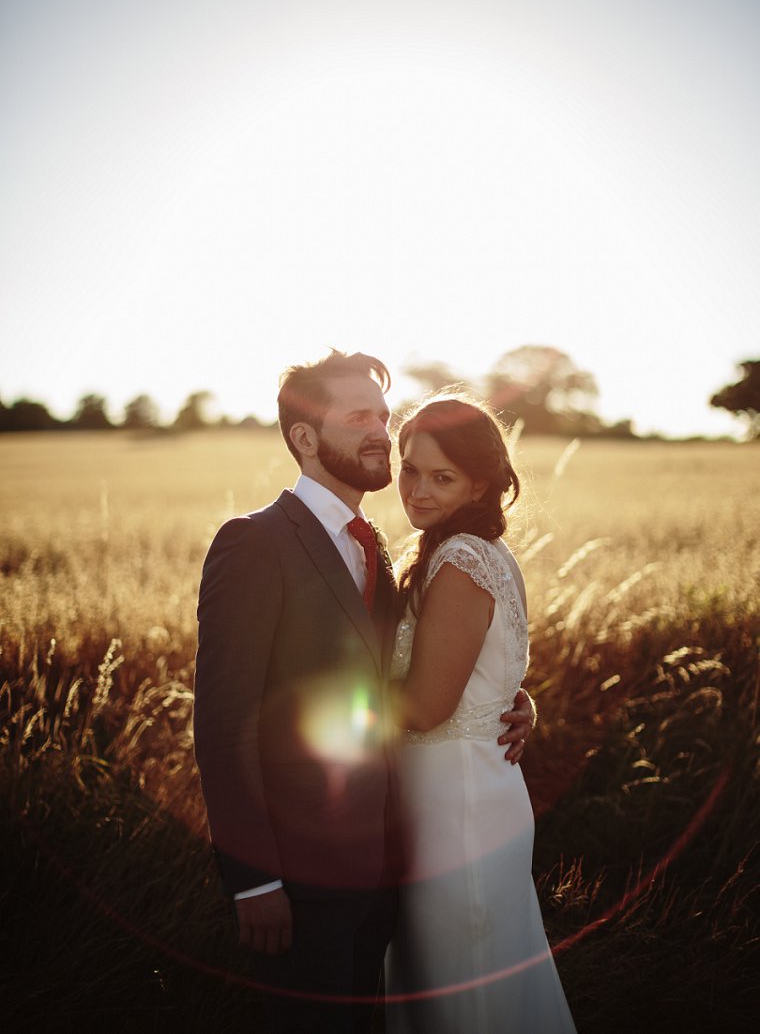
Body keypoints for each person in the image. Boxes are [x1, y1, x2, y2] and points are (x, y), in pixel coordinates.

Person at [193, 351, 535, 1034]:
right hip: (300, 870)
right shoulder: (254, 544)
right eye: (358, 417)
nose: (382, 430)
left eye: (383, 413)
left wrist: (508, 699)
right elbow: (224, 722)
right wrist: (253, 879)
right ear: (305, 439)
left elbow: (414, 670)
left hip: (391, 858)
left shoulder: (376, 545)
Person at [385, 393, 576, 1033]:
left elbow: (430, 705)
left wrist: (317, 690)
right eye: (410, 468)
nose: (417, 489)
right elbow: (486, 678)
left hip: (457, 810)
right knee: (469, 978)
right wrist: (518, 703)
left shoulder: (462, 562)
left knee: (461, 991)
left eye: (442, 477)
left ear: (481, 482)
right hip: (467, 792)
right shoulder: (463, 550)